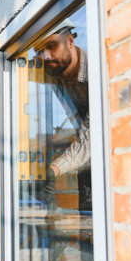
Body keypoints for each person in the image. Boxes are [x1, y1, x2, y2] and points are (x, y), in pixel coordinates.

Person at [34, 19, 91, 210]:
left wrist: (52, 171)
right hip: (85, 177)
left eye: (51, 46)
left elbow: (91, 139)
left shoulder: (98, 72)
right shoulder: (53, 71)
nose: (46, 56)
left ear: (70, 41)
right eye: (40, 51)